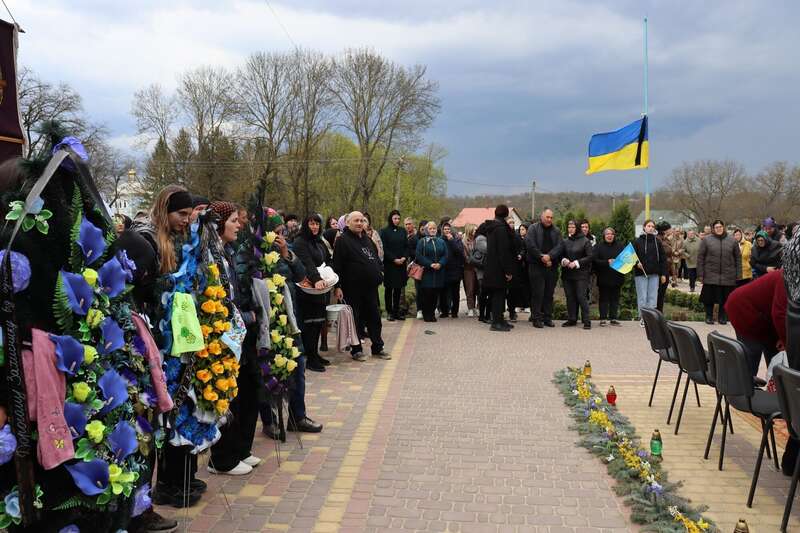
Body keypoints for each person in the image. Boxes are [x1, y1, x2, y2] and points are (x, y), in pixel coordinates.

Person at [251, 210, 323, 438]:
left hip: (289, 319)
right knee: (267, 371)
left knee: (297, 366)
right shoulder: (253, 254)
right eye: (276, 232)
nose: (280, 237)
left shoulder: (286, 249)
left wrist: (286, 254)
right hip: (267, 322)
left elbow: (301, 275)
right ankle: (270, 420)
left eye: (282, 232)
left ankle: (297, 416)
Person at [207, 201, 263, 476]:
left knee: (248, 391)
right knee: (228, 394)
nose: (238, 225)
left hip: (241, 334)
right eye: (233, 221)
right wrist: (247, 315)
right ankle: (222, 458)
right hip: (225, 335)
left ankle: (240, 449)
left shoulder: (227, 251)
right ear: (219, 224)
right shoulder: (211, 254)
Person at [333, 211, 391, 360]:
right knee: (355, 319)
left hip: (370, 288)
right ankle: (356, 349)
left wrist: (380, 272)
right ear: (348, 223)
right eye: (356, 220)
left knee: (374, 317)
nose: (359, 223)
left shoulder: (367, 239)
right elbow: (337, 265)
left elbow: (376, 259)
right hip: (352, 288)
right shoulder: (342, 241)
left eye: (362, 220)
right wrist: (338, 286)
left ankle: (378, 347)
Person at [725, 269, 787, 376]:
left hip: (759, 313)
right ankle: (746, 384)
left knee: (775, 352)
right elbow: (779, 314)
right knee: (752, 354)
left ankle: (774, 381)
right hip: (744, 310)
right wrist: (785, 340)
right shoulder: (786, 278)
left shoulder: (789, 276)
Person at [293, 214, 333, 372]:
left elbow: (327, 259)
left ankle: (315, 354)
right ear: (305, 225)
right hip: (307, 288)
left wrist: (330, 274)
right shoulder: (300, 242)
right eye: (311, 223)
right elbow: (307, 263)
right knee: (309, 323)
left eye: (317, 224)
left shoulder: (319, 242)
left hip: (321, 287)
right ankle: (310, 358)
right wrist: (316, 279)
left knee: (318, 322)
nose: (315, 227)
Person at [478, 205, 517, 331]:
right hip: (499, 268)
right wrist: (508, 271)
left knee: (498, 295)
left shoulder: (491, 227)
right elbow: (503, 252)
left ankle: (499, 319)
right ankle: (496, 323)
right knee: (498, 296)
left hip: (492, 266)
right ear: (506, 215)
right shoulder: (500, 229)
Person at [697, 219, 741, 325]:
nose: (719, 229)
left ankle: (723, 317)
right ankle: (709, 316)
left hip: (728, 275)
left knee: (725, 298)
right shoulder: (706, 240)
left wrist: (738, 274)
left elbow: (738, 258)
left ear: (723, 227)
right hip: (710, 274)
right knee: (709, 298)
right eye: (716, 227)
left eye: (720, 227)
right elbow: (700, 257)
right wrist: (700, 274)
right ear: (713, 229)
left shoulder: (732, 241)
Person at [525, 208, 563, 328]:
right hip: (536, 266)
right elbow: (530, 244)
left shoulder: (556, 231)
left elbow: (560, 246)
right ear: (542, 217)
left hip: (551, 266)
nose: (549, 219)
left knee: (549, 294)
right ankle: (536, 318)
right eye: (547, 217)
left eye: (551, 217)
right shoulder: (533, 228)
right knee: (538, 293)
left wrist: (550, 256)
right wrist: (541, 257)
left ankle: (547, 318)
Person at [633, 219, 668, 325]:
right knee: (642, 297)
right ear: (644, 227)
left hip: (654, 274)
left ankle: (651, 318)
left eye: (652, 226)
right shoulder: (637, 241)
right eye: (648, 226)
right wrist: (636, 263)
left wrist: (663, 274)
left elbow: (663, 259)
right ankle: (643, 318)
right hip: (641, 274)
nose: (651, 228)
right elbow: (632, 257)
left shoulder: (658, 242)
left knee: (653, 297)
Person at [560, 220, 593, 329]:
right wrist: (564, 260)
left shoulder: (585, 241)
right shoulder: (565, 241)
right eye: (569, 227)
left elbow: (590, 257)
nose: (570, 229)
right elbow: (560, 255)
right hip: (567, 274)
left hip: (581, 274)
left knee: (581, 296)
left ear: (577, 228)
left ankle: (587, 321)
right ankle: (572, 319)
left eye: (573, 227)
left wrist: (576, 263)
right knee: (570, 297)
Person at [416, 221, 449, 322]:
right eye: (430, 228)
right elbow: (419, 256)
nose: (432, 230)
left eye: (434, 228)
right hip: (427, 272)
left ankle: (432, 313)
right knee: (427, 294)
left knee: (435, 294)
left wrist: (440, 263)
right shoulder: (422, 242)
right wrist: (430, 264)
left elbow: (445, 255)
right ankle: (426, 314)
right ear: (427, 230)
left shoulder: (441, 242)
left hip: (438, 272)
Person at [379, 210, 409, 321]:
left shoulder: (402, 231)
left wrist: (404, 257)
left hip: (401, 264)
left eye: (398, 218)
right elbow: (384, 248)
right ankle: (389, 312)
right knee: (389, 289)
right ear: (391, 219)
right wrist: (394, 259)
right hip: (390, 264)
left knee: (398, 289)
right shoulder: (384, 231)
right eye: (395, 218)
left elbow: (406, 246)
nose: (397, 220)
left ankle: (396, 311)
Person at [593, 227, 625, 326]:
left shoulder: (620, 246)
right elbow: (595, 261)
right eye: (607, 234)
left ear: (614, 236)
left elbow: (625, 260)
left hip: (617, 276)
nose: (609, 236)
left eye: (611, 234)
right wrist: (607, 262)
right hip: (603, 277)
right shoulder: (598, 247)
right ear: (604, 236)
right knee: (603, 299)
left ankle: (613, 318)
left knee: (615, 299)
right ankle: (603, 318)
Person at [440, 222, 464, 317]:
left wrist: (451, 241)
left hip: (455, 269)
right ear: (442, 230)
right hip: (444, 269)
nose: (447, 231)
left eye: (448, 229)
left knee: (455, 292)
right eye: (445, 229)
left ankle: (455, 312)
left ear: (451, 230)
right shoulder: (440, 240)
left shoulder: (457, 239)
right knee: (444, 292)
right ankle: (444, 311)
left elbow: (459, 252)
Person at [506, 224, 529, 321]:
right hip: (505, 267)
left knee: (514, 290)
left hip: (517, 268)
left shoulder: (517, 238)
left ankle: (513, 311)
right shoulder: (503, 237)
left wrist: (521, 255)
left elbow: (523, 249)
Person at [462, 223, 479, 317]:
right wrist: (474, 261)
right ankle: (470, 308)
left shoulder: (478, 240)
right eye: (474, 229)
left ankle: (477, 307)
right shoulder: (464, 242)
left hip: (478, 267)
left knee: (478, 288)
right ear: (470, 230)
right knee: (470, 288)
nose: (476, 231)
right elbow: (465, 256)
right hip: (468, 268)